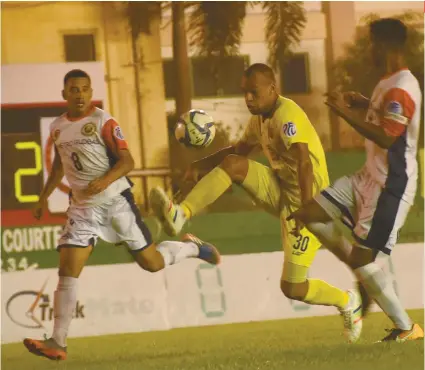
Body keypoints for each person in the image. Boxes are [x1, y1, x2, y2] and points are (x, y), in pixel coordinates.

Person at [150, 63, 363, 343]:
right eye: (245, 93)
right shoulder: (260, 118)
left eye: (254, 92)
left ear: (272, 89)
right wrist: (200, 165)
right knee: (234, 164)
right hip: (279, 188)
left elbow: (304, 164)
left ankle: (347, 301)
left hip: (311, 204)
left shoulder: (288, 116)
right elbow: (238, 150)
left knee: (293, 288)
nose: (248, 98)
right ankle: (181, 213)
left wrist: (307, 209)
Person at [23, 69, 220, 361]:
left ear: (91, 93)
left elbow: (128, 161)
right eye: (73, 90)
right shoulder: (57, 127)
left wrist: (105, 180)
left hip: (116, 202)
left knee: (151, 263)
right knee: (67, 270)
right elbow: (59, 167)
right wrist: (43, 197)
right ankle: (58, 342)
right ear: (64, 94)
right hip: (82, 208)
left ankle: (192, 247)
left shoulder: (103, 121)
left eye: (84, 89)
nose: (79, 94)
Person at [288, 18, 424, 342]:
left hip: (390, 186)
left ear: (384, 45)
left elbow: (388, 137)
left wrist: (342, 112)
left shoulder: (402, 87)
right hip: (367, 176)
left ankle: (408, 328)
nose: (368, 50)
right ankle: (368, 257)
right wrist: (364, 102)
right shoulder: (387, 83)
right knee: (309, 213)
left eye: (370, 43)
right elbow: (387, 116)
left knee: (362, 259)